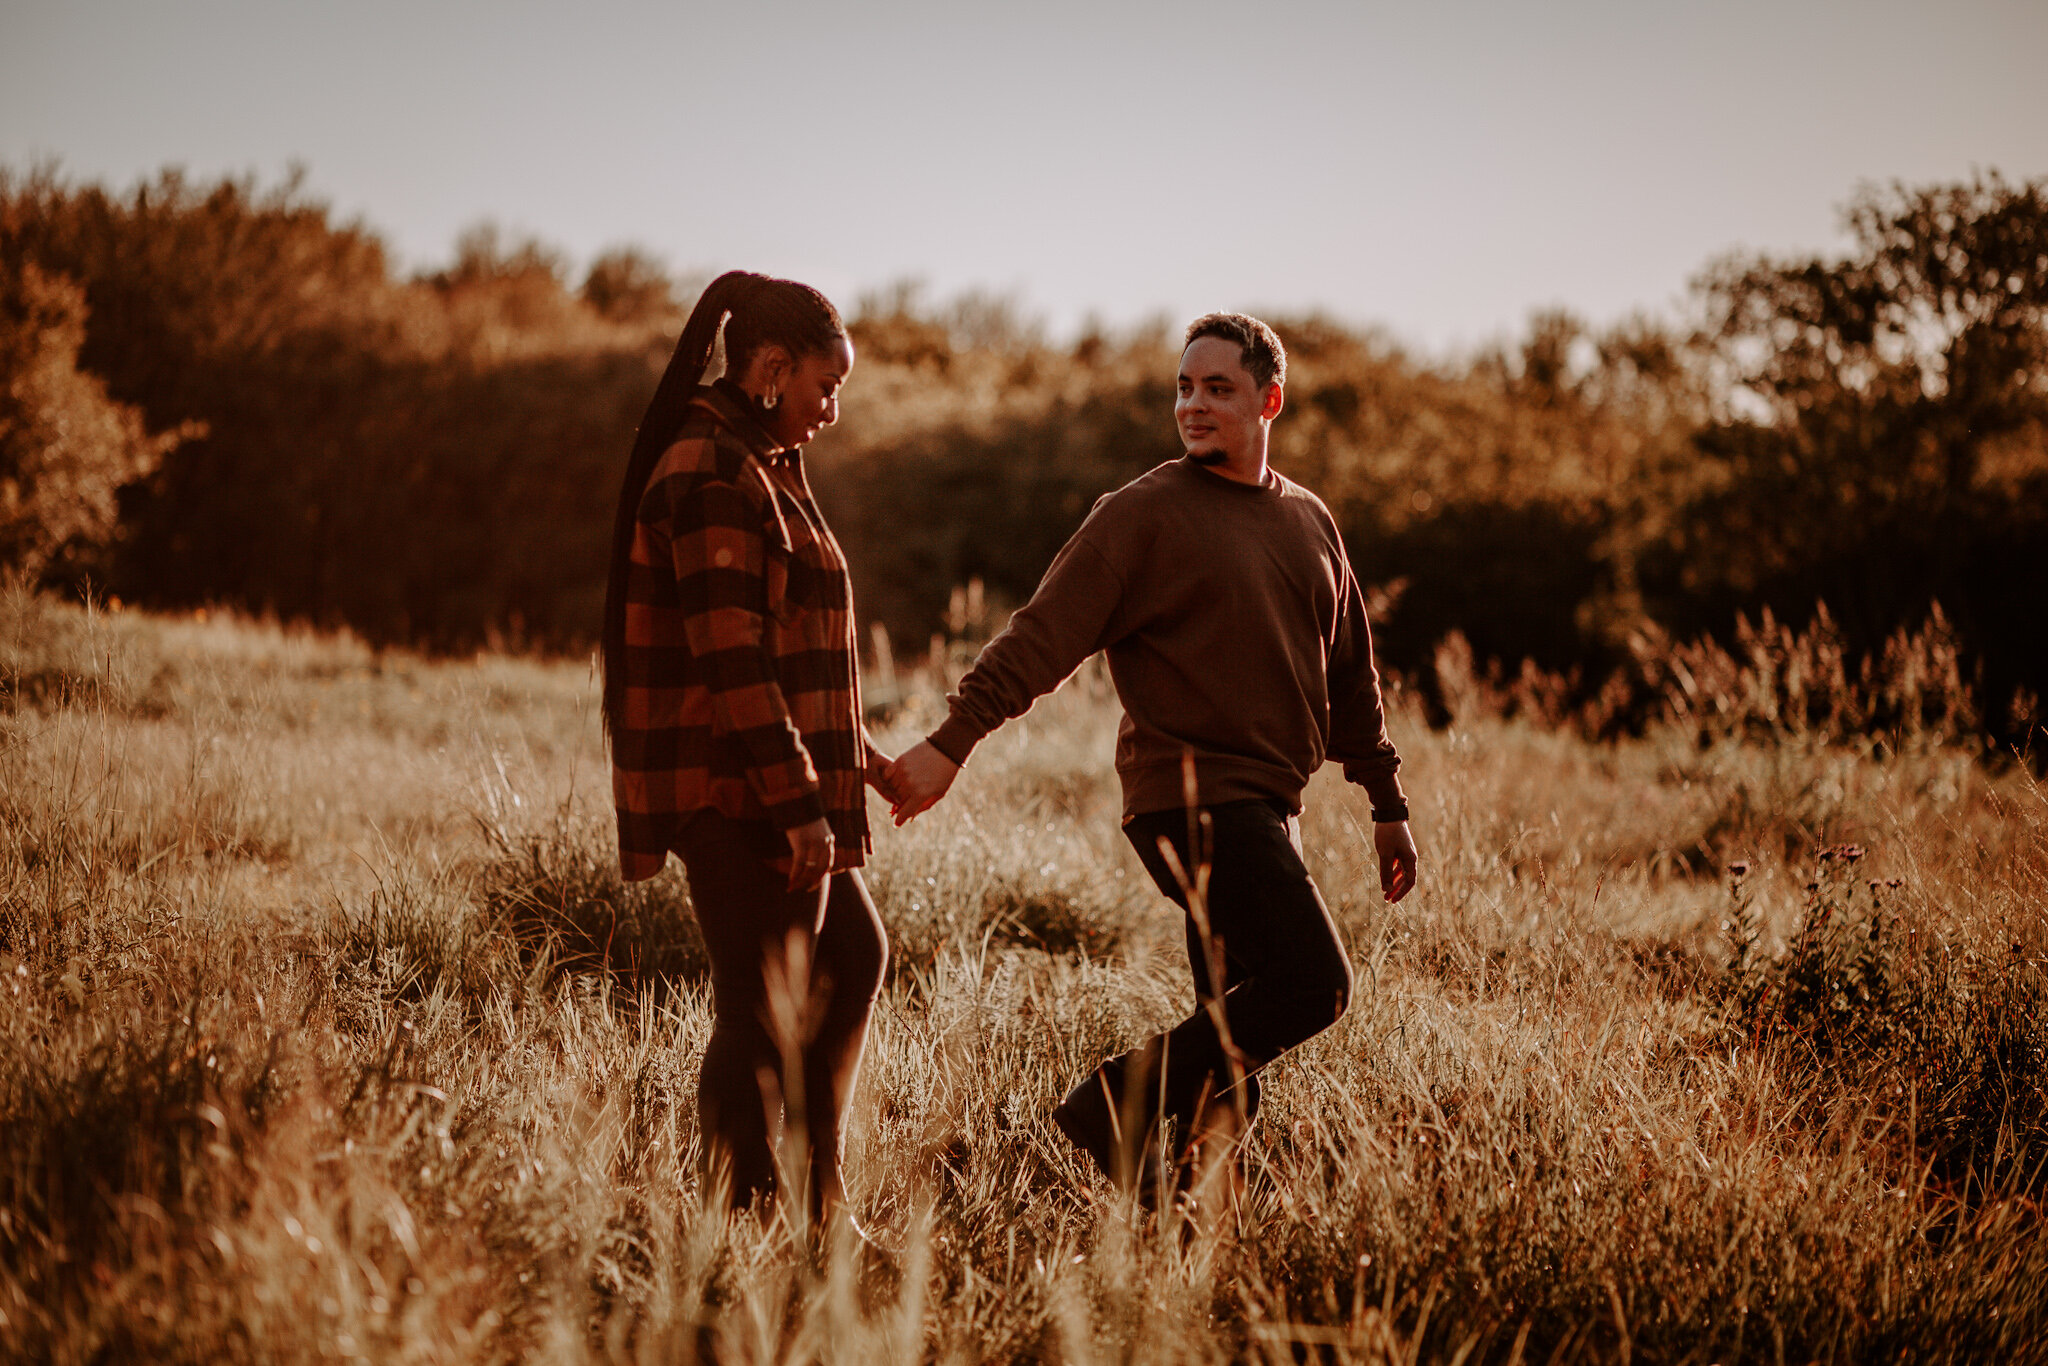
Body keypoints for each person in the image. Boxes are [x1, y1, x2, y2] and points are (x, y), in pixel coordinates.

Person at [887, 313, 1419, 1204]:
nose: (1193, 405)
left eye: (1217, 388)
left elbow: (1350, 673)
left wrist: (1385, 800)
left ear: (1269, 400)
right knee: (1314, 984)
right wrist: (951, 743)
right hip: (1189, 800)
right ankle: (1110, 1107)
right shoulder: (1142, 514)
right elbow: (1041, 638)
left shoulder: (1309, 520)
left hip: (1271, 807)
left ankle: (1180, 1226)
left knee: (1231, 1028)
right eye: (1184, 387)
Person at [601, 270, 894, 1231]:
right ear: (771, 368)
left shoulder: (757, 459)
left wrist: (863, 755)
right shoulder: (713, 469)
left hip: (769, 770)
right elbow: (732, 661)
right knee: (762, 1002)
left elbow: (792, 642)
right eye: (824, 385)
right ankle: (746, 1216)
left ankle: (813, 1196)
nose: (832, 410)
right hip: (730, 784)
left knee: (847, 955)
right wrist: (803, 802)